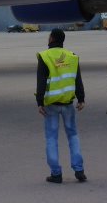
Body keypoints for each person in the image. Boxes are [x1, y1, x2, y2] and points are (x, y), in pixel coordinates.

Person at [36, 28, 86, 184]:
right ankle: (79, 170)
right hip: (68, 103)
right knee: (73, 135)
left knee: (51, 138)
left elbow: (41, 81)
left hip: (51, 104)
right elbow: (77, 79)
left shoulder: (45, 56)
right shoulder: (72, 56)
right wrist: (81, 98)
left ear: (51, 38)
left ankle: (56, 173)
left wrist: (39, 102)